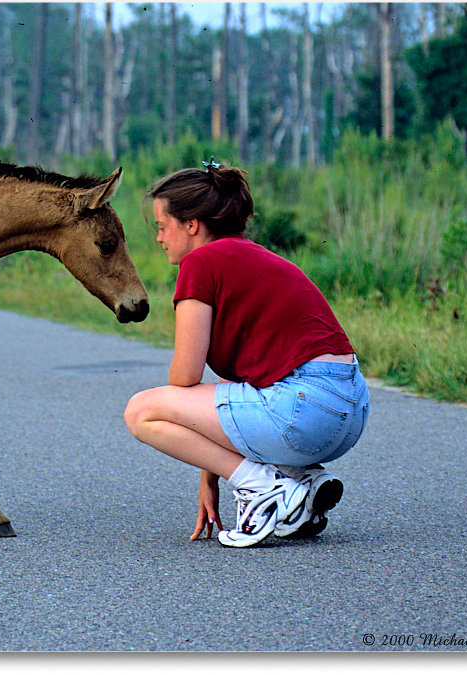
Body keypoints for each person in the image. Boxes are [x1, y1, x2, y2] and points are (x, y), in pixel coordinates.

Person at [123, 160, 369, 548]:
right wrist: (211, 473)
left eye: (161, 225)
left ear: (191, 224)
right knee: (245, 400)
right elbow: (235, 388)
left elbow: (184, 378)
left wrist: (237, 474)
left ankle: (263, 491)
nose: (159, 238)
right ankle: (302, 483)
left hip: (303, 412)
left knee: (142, 411)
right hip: (347, 414)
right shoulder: (255, 257)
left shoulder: (200, 263)